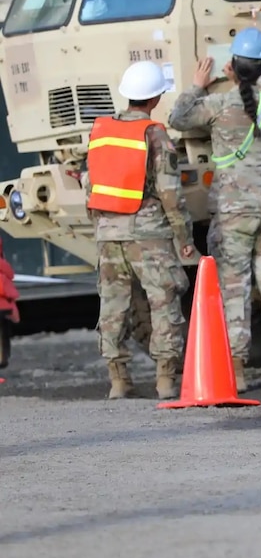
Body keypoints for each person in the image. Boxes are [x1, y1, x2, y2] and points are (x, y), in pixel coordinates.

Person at [168, 27, 261, 393]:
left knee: (235, 288)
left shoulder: (218, 105)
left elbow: (178, 117)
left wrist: (198, 83)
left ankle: (236, 370)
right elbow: (258, 93)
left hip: (234, 211)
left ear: (231, 67)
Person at [84, 60, 196, 400]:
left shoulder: (100, 130)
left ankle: (118, 380)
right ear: (156, 98)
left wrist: (101, 226)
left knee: (112, 304)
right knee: (163, 300)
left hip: (108, 232)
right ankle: (165, 380)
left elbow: (89, 183)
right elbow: (170, 194)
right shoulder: (154, 133)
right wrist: (185, 239)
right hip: (148, 233)